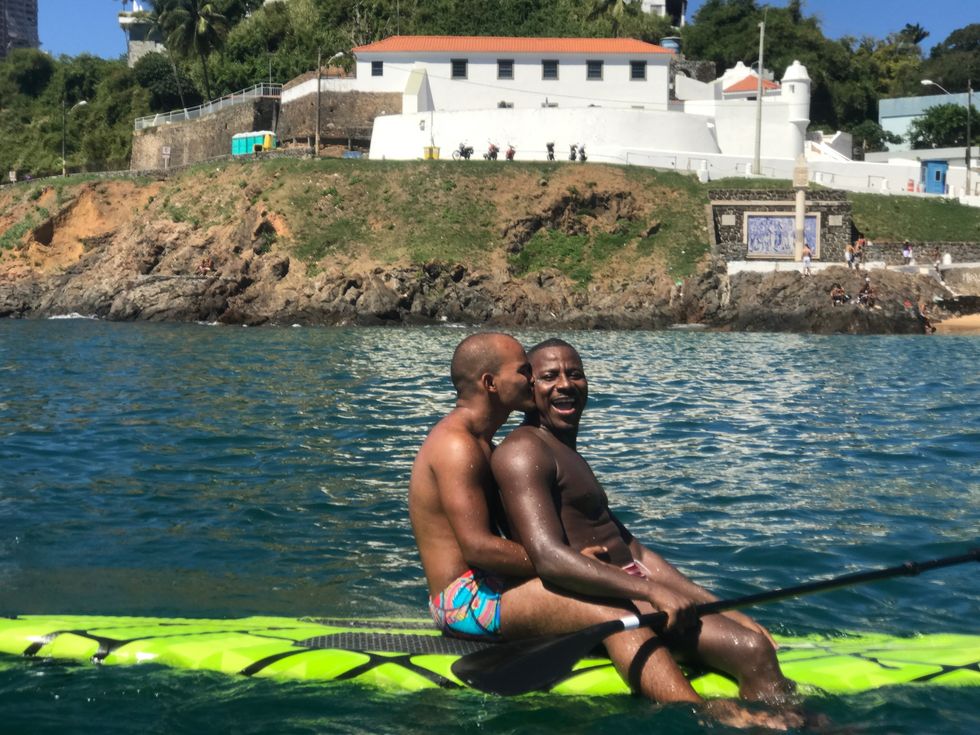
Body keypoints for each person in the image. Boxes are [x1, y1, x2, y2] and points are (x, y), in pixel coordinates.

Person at [409, 334, 799, 730]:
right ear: (491, 383)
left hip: (494, 583)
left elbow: (631, 549)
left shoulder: (485, 442)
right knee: (610, 608)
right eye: (526, 371)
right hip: (464, 598)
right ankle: (700, 713)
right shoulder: (460, 445)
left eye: (571, 373)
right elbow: (477, 548)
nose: (533, 381)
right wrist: (583, 567)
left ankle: (789, 718)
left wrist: (726, 611)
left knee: (610, 596)